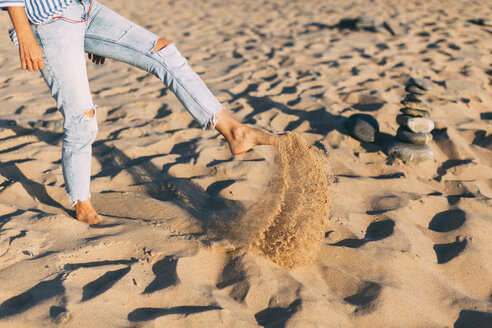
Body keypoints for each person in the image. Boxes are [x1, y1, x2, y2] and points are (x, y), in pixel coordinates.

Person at [2, 0, 277, 225]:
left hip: (85, 10)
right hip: (47, 24)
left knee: (163, 52)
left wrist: (93, 39)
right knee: (82, 119)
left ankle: (235, 131)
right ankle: (82, 203)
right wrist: (24, 35)